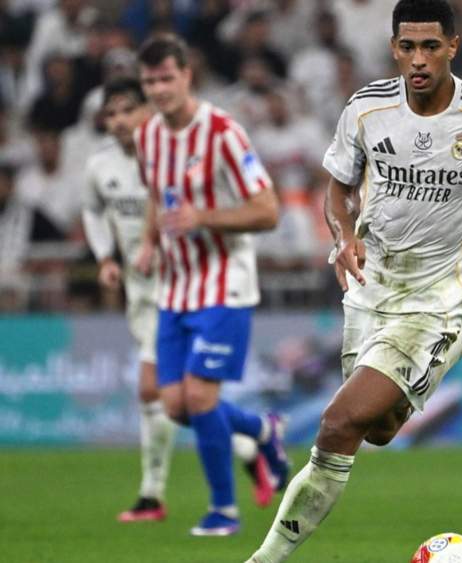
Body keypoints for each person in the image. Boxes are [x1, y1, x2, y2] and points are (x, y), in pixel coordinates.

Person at [247, 0, 462, 560]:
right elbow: (337, 187)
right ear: (393, 48)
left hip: (435, 296)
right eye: (408, 46)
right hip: (370, 287)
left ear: (453, 47)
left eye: (431, 46)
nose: (418, 60)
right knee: (380, 429)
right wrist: (342, 235)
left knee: (337, 424)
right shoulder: (366, 108)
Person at [82, 77, 277, 522]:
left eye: (127, 110)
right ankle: (252, 441)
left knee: (159, 392)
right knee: (179, 401)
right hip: (141, 289)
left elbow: (243, 206)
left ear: (148, 111)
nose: (118, 122)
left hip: (190, 287)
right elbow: (92, 210)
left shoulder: (179, 155)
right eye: (109, 115)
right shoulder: (100, 166)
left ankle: (154, 495)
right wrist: (105, 257)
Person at [132, 34, 291, 536]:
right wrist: (148, 241)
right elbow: (157, 197)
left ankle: (223, 510)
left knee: (201, 397)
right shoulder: (147, 137)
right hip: (174, 287)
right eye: (150, 81)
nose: (159, 89)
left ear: (187, 76)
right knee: (175, 404)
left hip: (225, 283)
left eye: (166, 78)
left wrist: (206, 217)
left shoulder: (223, 132)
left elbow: (268, 211)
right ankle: (263, 429)